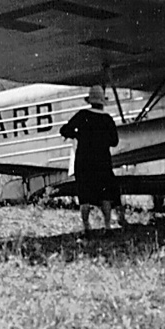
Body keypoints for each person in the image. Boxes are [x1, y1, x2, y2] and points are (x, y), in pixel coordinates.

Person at [61, 85, 125, 232]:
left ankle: (86, 227)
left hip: (83, 160)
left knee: (84, 195)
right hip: (102, 160)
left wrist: (78, 134)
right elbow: (114, 141)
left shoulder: (82, 115)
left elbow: (64, 130)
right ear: (102, 102)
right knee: (106, 195)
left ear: (89, 101)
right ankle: (107, 226)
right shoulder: (107, 119)